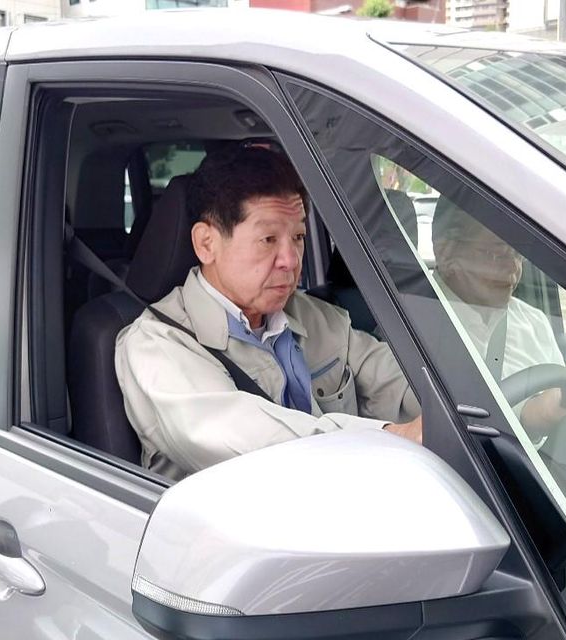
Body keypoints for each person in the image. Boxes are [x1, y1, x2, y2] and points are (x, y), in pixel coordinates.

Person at [115, 147, 422, 480]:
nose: (291, 260)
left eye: (298, 237)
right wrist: (391, 436)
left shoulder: (318, 318)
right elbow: (246, 439)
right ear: (206, 243)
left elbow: (404, 384)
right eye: (268, 239)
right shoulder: (157, 345)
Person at [431, 195, 566, 436]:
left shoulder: (534, 321)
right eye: (496, 255)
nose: (513, 268)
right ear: (446, 253)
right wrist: (530, 416)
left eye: (517, 255)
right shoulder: (410, 319)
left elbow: (561, 399)